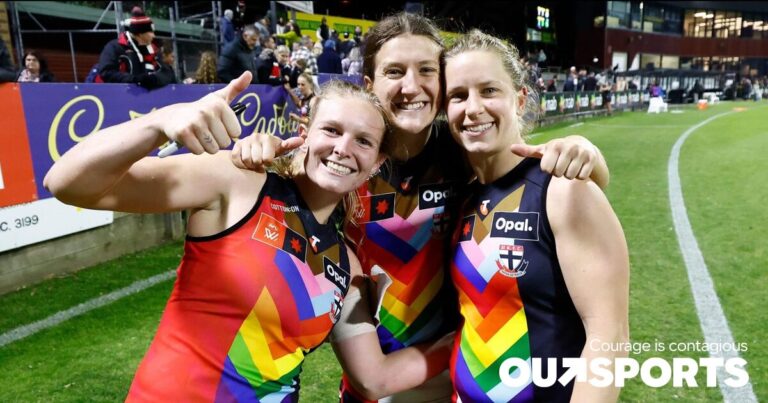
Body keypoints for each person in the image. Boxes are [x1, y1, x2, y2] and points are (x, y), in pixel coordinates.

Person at [234, 12, 610, 403]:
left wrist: (590, 157)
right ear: (369, 84)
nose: (410, 86)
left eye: (426, 71)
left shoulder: (464, 153)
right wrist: (252, 150)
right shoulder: (346, 166)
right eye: (394, 71)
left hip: (448, 385)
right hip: (368, 384)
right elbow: (281, 186)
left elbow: (537, 185)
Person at [45, 72, 452, 401]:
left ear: (376, 163)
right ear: (305, 132)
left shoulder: (347, 263)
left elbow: (374, 379)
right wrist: (158, 123)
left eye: (363, 141)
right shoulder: (239, 183)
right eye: (331, 130)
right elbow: (68, 183)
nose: (343, 148)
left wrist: (467, 342)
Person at [444, 29, 629, 402]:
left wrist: (583, 147)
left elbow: (610, 336)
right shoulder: (463, 196)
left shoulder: (563, 189)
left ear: (520, 99)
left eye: (489, 90)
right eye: (458, 96)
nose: (473, 107)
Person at [95, 6, 175, 89]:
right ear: (140, 34)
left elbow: (167, 73)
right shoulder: (114, 47)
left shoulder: (153, 49)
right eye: (150, 32)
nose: (153, 35)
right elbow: (106, 72)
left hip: (148, 97)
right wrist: (133, 79)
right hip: (120, 95)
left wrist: (154, 79)